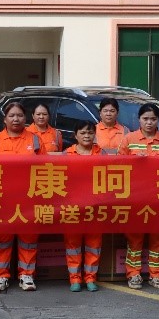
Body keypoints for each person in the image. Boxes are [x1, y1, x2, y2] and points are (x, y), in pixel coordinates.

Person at [0, 101, 46, 292]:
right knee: (2, 238)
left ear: (25, 118)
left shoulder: (35, 140)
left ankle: (26, 275)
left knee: (28, 238)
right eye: (11, 115)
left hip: (29, 197)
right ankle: (0, 276)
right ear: (4, 119)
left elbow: (46, 168)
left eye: (19, 115)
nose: (16, 119)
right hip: (3, 198)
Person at [119, 102, 159, 290]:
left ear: (158, 120)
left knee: (158, 237)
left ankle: (156, 274)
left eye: (153, 119)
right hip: (136, 196)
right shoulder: (129, 139)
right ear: (139, 120)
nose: (149, 122)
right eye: (145, 119)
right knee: (135, 237)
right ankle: (133, 274)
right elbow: (118, 166)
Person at [64, 121, 104, 293]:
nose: (87, 136)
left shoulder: (101, 153)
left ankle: (90, 278)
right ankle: (74, 278)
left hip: (95, 205)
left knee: (93, 244)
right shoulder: (67, 154)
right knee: (72, 244)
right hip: (73, 205)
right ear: (75, 135)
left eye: (90, 133)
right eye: (82, 133)